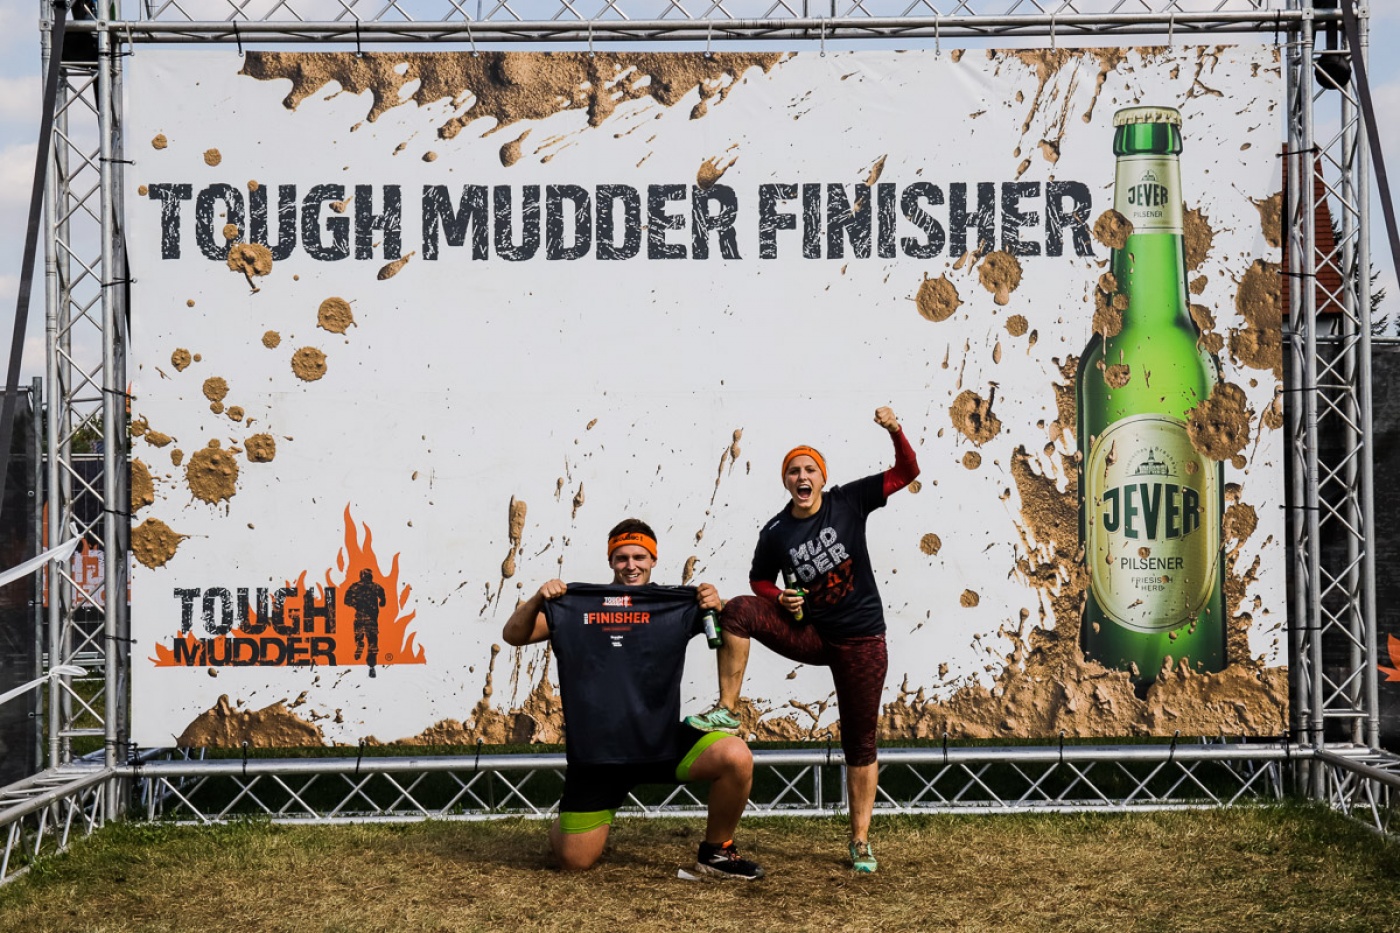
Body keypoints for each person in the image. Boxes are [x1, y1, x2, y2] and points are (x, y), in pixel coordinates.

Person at [686, 406, 919, 874]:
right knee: (737, 610)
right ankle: (727, 709)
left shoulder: (848, 501)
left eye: (809, 469)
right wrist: (781, 597)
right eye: (793, 471)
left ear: (822, 477)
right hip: (811, 633)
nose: (802, 476)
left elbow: (906, 472)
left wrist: (895, 430)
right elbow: (758, 580)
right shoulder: (776, 531)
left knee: (860, 740)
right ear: (786, 482)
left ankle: (860, 841)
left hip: (861, 640)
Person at [501, 518, 764, 879]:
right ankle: (569, 821)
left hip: (659, 743)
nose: (631, 565)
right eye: (622, 557)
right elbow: (513, 635)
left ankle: (716, 852)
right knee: (574, 862)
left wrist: (717, 604)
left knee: (736, 756)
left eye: (639, 556)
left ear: (653, 559)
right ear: (610, 560)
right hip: (598, 756)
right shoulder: (575, 605)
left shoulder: (674, 604)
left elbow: (740, 621)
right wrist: (537, 599)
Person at [345, 568, 387, 677]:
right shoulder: (375, 586)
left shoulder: (355, 586)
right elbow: (383, 597)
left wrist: (356, 604)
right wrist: (381, 602)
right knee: (372, 641)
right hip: (371, 619)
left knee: (359, 635)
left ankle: (360, 646)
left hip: (360, 617)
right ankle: (371, 664)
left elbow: (347, 600)